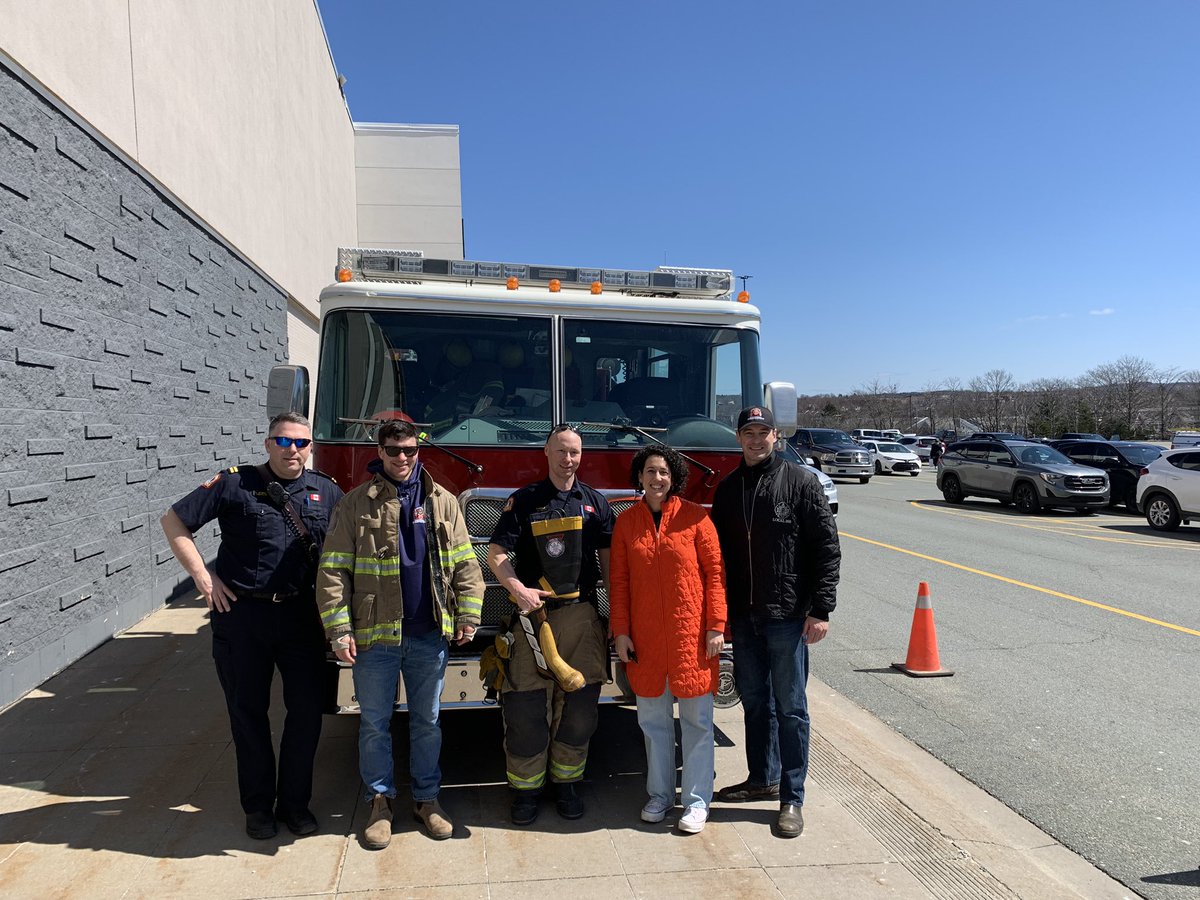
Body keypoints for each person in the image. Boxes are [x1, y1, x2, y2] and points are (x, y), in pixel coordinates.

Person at [160, 411, 343, 840]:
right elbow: (174, 521)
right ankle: (258, 807)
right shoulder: (233, 483)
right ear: (267, 444)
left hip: (302, 619)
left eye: (300, 442)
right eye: (283, 441)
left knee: (305, 715)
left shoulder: (328, 492)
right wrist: (204, 580)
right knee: (248, 714)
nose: (292, 450)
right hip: (243, 618)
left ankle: (295, 805)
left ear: (310, 446)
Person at [316, 420, 484, 848]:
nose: (403, 458)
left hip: (429, 635)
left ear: (418, 450)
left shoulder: (444, 501)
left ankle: (428, 802)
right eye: (394, 450)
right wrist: (339, 630)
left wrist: (468, 613)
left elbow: (466, 564)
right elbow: (332, 571)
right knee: (374, 724)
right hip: (375, 638)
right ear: (381, 451)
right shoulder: (355, 504)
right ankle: (379, 802)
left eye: (409, 449)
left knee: (428, 722)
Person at [710, 406, 840, 839]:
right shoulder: (727, 491)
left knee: (791, 708)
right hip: (744, 618)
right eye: (748, 432)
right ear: (739, 438)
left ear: (775, 436)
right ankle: (760, 778)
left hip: (787, 616)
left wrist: (820, 609)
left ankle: (791, 796)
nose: (755, 439)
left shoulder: (801, 483)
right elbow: (717, 557)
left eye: (763, 432)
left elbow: (826, 548)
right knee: (754, 703)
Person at [486, 423, 615, 825]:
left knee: (579, 711)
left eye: (574, 452)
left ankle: (568, 784)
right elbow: (496, 553)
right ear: (546, 452)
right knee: (525, 709)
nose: (568, 459)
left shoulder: (594, 503)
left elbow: (610, 567)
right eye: (560, 451)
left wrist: (616, 616)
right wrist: (516, 588)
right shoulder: (523, 501)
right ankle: (525, 793)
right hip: (531, 620)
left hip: (581, 619)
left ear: (581, 456)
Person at [610, 445, 727, 834]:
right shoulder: (626, 524)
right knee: (653, 723)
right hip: (645, 639)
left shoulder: (696, 519)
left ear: (673, 477)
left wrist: (716, 626)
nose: (656, 479)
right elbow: (620, 583)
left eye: (663, 472)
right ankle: (659, 794)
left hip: (691, 638)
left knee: (697, 723)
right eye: (649, 472)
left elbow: (715, 575)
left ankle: (696, 802)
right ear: (639, 478)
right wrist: (621, 631)